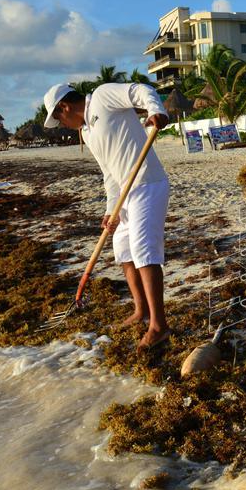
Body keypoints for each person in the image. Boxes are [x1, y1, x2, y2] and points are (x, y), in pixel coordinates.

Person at [43, 82, 172, 350]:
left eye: (59, 119)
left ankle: (159, 326)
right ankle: (141, 310)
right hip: (125, 192)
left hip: (147, 183)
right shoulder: (87, 132)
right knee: (122, 248)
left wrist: (156, 110)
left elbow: (140, 90)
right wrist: (110, 210)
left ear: (64, 107)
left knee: (143, 249)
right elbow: (109, 173)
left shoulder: (102, 97)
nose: (62, 125)